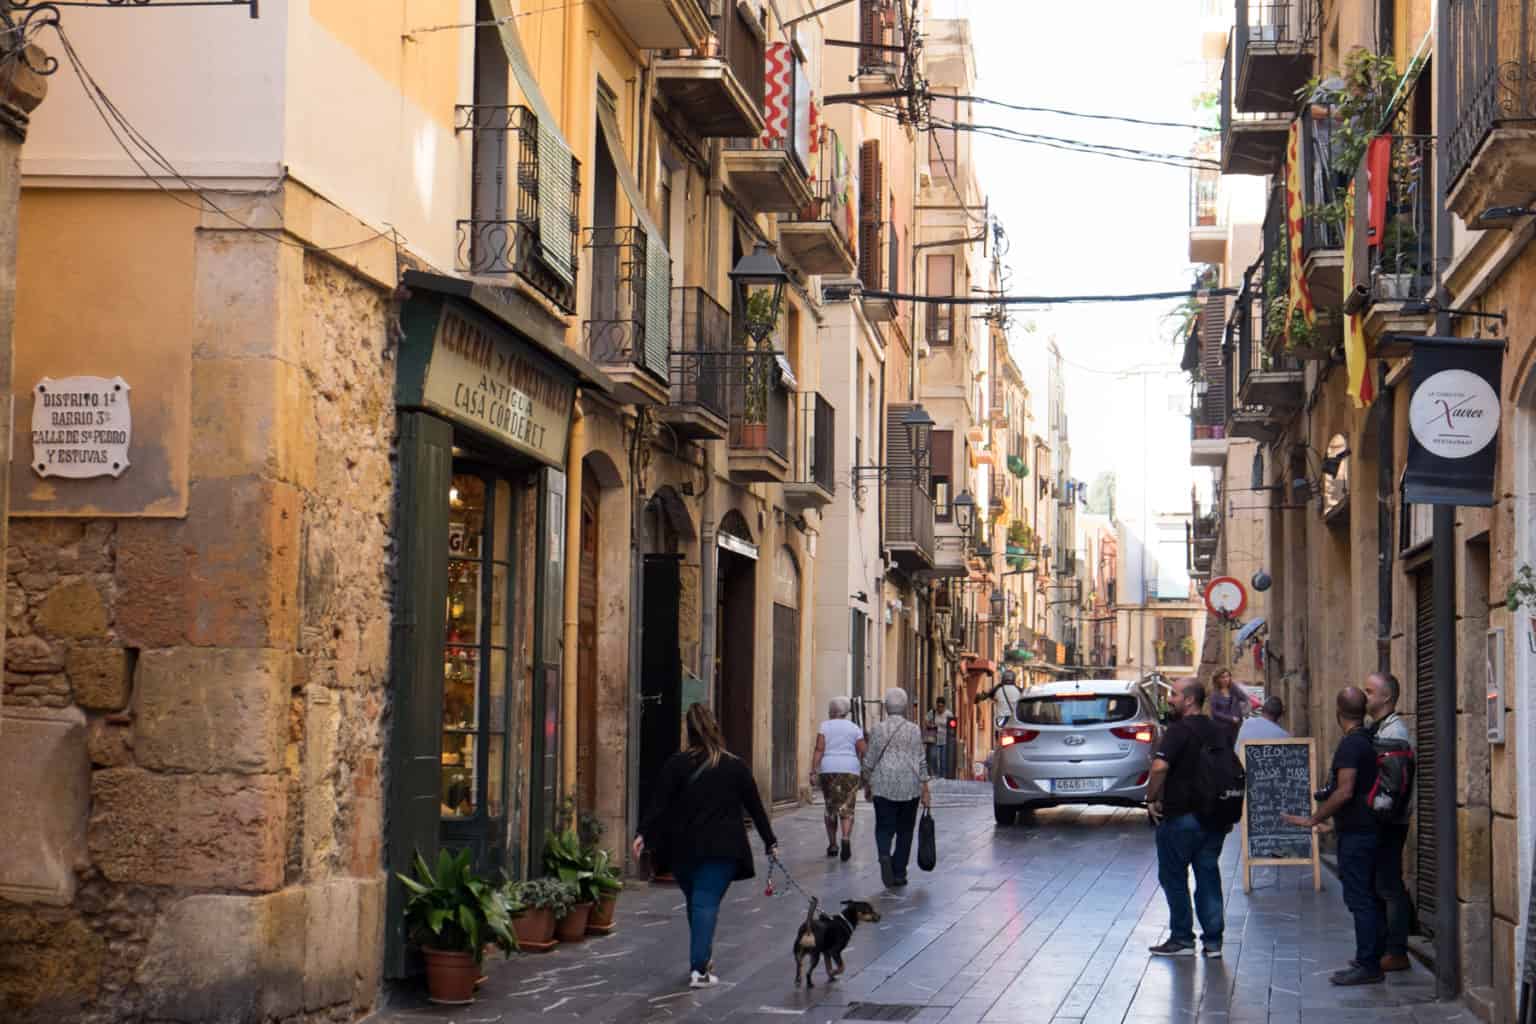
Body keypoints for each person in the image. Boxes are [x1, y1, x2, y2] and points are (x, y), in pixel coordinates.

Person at [633, 703, 778, 989]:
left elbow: (658, 803)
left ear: (688, 731)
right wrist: (769, 841)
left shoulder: (676, 764)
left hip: (682, 849)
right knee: (704, 904)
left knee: (698, 903)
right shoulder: (734, 766)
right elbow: (755, 807)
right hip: (722, 849)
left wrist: (642, 833)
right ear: (716, 727)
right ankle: (699, 969)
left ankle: (703, 958)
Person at [1283, 687, 1384, 986]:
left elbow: (1345, 790)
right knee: (1367, 896)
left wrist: (1315, 818)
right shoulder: (1367, 740)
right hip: (1364, 829)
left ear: (1338, 712)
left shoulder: (1351, 746)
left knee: (1359, 898)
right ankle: (1371, 956)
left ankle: (1368, 965)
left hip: (1358, 835)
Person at [1146, 679, 1229, 958]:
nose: (1170, 699)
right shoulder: (1219, 731)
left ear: (1190, 700)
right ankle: (1214, 942)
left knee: (1173, 876)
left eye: (1174, 694)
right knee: (1208, 875)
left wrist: (1151, 798)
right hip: (1214, 817)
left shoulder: (1178, 731)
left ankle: (1182, 938)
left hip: (1181, 816)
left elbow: (1159, 768)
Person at [1365, 671, 1413, 973]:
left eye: (1370, 691)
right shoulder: (1381, 728)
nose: (1366, 695)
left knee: (1389, 883)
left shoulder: (1394, 733)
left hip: (1390, 822)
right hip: (1387, 820)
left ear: (1387, 697)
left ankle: (1396, 951)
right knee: (1382, 882)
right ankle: (1388, 946)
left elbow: (1390, 786)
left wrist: (1377, 815)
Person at [862, 688, 931, 888]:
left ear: (886, 707)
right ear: (905, 707)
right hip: (910, 786)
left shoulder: (877, 729)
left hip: (883, 784)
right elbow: (921, 759)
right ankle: (899, 872)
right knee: (905, 830)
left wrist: (867, 781)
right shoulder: (914, 729)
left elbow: (870, 758)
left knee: (884, 826)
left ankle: (884, 854)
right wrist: (925, 788)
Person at [811, 696, 867, 862]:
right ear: (846, 711)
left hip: (829, 769)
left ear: (831, 711)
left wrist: (813, 770)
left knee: (830, 808)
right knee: (847, 807)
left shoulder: (824, 726)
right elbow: (863, 749)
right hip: (850, 769)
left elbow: (819, 749)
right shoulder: (854, 728)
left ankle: (833, 845)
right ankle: (845, 838)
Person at [1208, 669, 1249, 748]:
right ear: (1218, 679)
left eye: (1227, 676)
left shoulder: (1233, 689)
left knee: (1235, 748)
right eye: (1223, 677)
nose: (1226, 679)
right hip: (1221, 727)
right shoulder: (1215, 694)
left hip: (1235, 726)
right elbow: (1214, 712)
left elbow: (1244, 698)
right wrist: (1231, 718)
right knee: (1224, 749)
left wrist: (1234, 686)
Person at [925, 697, 949, 778]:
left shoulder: (948, 714)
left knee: (943, 760)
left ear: (944, 706)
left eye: (942, 706)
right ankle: (935, 774)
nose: (940, 708)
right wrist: (931, 725)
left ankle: (943, 776)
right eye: (938, 706)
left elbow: (953, 725)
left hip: (945, 740)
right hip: (934, 739)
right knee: (933, 757)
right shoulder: (933, 712)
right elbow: (926, 720)